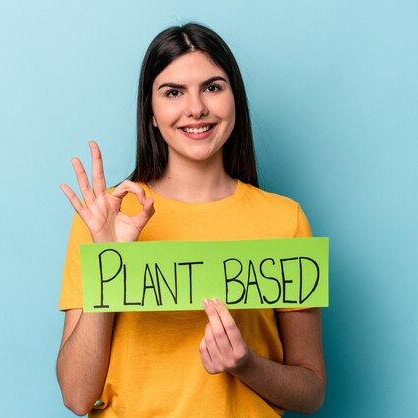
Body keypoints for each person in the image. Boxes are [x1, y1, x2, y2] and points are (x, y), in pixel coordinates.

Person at [57, 23, 325, 417]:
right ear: (151, 112)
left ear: (235, 99)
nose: (196, 108)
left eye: (213, 87)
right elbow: (76, 397)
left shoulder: (285, 219)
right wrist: (109, 263)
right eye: (173, 92)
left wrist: (245, 365)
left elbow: (311, 391)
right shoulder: (104, 218)